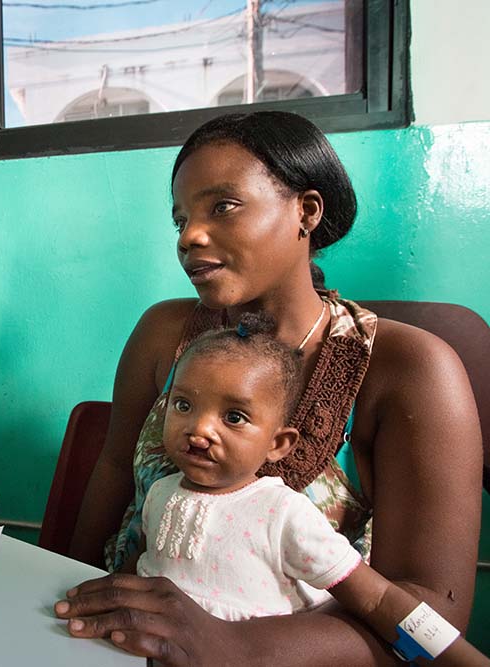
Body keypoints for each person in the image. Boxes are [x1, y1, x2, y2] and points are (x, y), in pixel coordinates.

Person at [54, 111, 483, 664]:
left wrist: (233, 643)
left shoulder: (411, 368)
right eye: (180, 218)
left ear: (305, 210)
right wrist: (59, 592)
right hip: (120, 646)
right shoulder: (164, 333)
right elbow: (115, 472)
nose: (190, 236)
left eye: (222, 207)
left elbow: (433, 608)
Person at [127, 313, 487, 665]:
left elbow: (377, 602)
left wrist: (464, 660)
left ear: (278, 444)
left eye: (234, 417)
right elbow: (142, 567)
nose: (199, 430)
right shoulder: (160, 492)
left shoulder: (282, 514)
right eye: (184, 405)